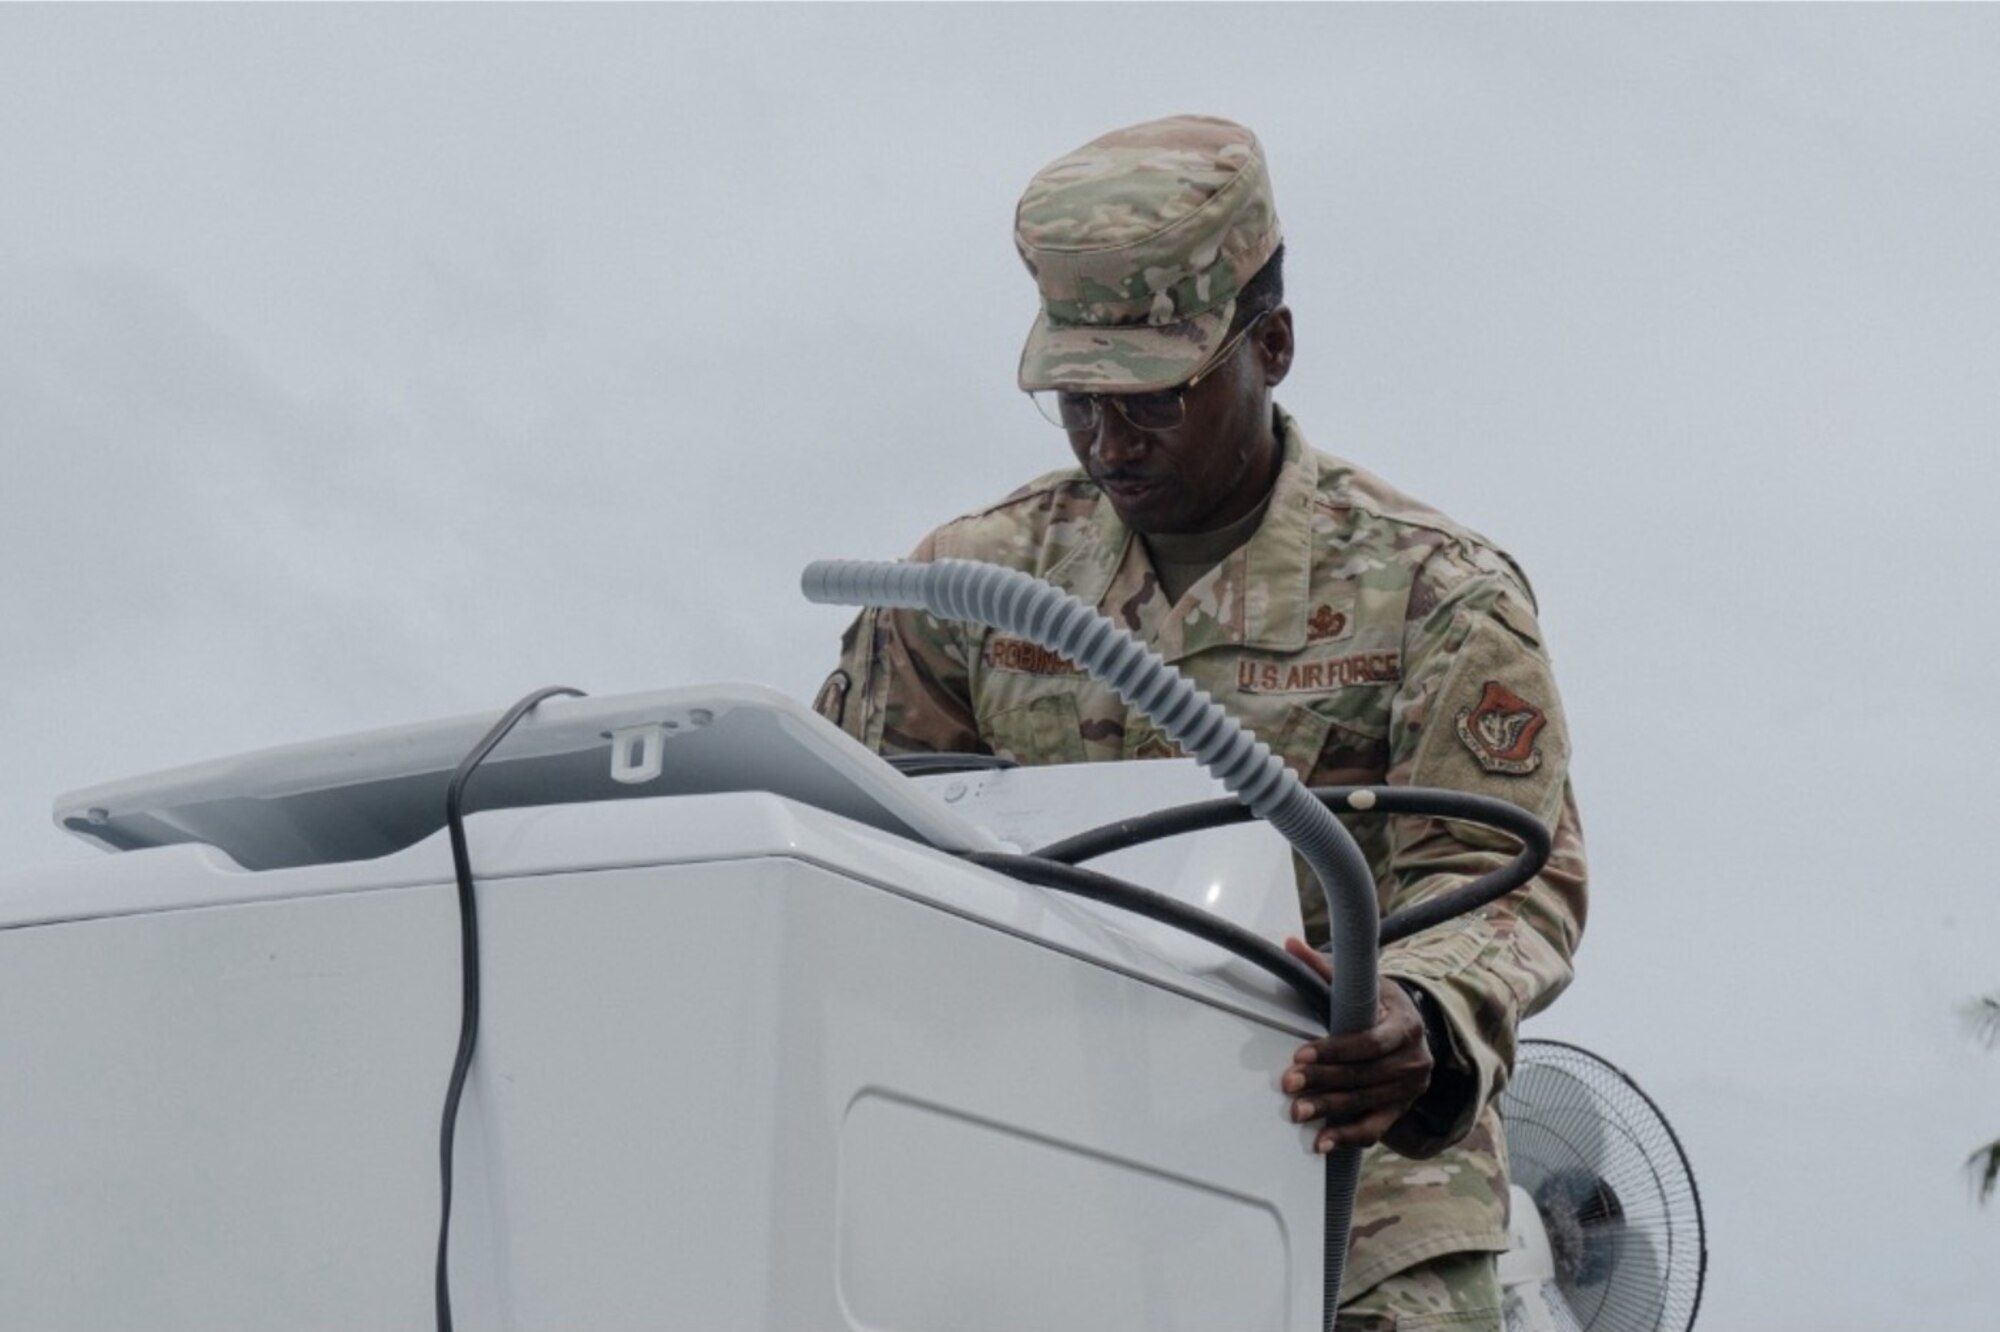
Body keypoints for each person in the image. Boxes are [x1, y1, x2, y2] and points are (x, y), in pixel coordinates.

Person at [813, 114, 1587, 1332]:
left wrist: (1415, 1014)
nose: (1108, 444)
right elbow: (855, 843)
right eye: (1074, 401)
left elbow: (1504, 880)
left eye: (1152, 402)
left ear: (1268, 346)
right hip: (1043, 1199)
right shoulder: (966, 587)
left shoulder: (1435, 592)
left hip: (1356, 1208)